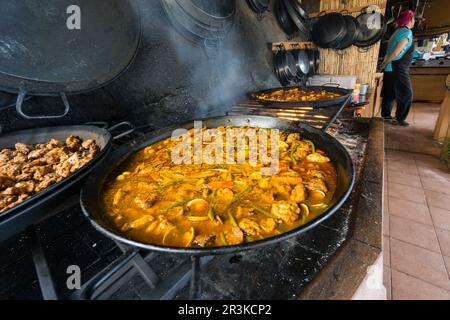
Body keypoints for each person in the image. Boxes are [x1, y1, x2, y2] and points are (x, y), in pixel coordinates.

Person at [380, 10, 415, 126]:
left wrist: (384, 65)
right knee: (406, 94)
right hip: (398, 68)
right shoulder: (407, 33)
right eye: (413, 19)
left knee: (389, 94)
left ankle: (385, 116)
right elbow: (395, 53)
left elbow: (388, 52)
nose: (414, 21)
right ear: (410, 20)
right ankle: (399, 118)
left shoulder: (396, 32)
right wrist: (385, 63)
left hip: (390, 68)